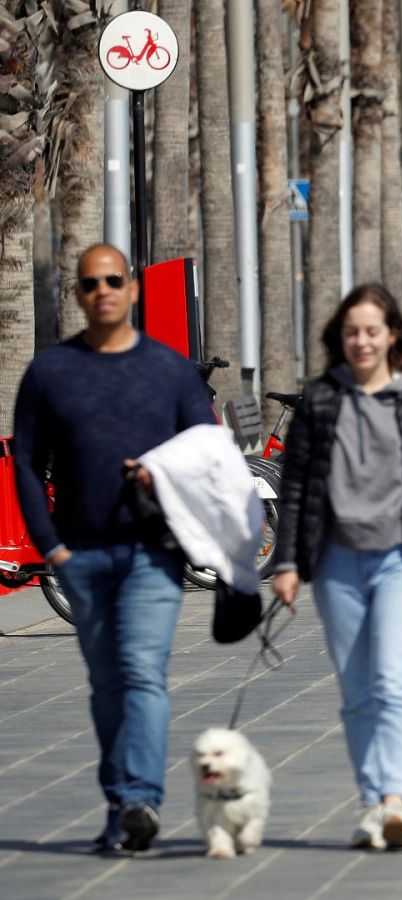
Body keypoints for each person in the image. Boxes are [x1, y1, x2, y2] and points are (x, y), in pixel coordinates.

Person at [12, 244, 214, 853]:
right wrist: (50, 547)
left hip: (153, 553)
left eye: (113, 280)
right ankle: (118, 800)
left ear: (132, 289)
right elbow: (24, 460)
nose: (102, 290)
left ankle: (139, 799)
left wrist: (163, 477)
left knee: (142, 673)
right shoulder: (50, 373)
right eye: (90, 282)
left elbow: (207, 453)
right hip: (82, 556)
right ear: (77, 293)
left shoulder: (169, 370)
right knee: (105, 684)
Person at [271, 284, 402, 851]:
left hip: (401, 559)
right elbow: (295, 485)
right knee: (356, 689)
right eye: (352, 332)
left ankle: (397, 798)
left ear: (391, 334)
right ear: (339, 338)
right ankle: (373, 800)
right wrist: (288, 561)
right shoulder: (322, 398)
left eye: (372, 330)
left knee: (394, 680)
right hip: (337, 561)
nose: (362, 341)